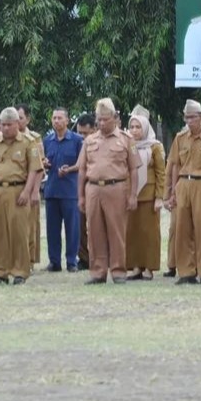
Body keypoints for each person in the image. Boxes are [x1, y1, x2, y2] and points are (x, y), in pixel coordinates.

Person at [77, 98, 140, 285]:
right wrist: (80, 195)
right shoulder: (89, 140)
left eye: (105, 119)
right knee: (94, 232)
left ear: (114, 118)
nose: (102, 123)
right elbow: (81, 169)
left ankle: (119, 271)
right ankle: (98, 272)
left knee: (117, 231)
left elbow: (134, 169)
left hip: (117, 188)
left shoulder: (126, 140)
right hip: (94, 189)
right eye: (99, 120)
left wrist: (133, 195)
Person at [0, 107, 42, 285]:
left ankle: (20, 271)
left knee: (19, 232)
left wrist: (27, 191)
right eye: (2, 124)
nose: (5, 128)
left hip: (18, 191)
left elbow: (34, 169)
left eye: (9, 124)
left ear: (17, 124)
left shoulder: (28, 142)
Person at [167, 100, 201, 285]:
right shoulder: (180, 138)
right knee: (182, 230)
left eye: (192, 117)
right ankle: (186, 272)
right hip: (184, 183)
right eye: (186, 117)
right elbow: (175, 165)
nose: (188, 121)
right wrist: (173, 191)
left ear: (200, 118)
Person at [42, 108, 83, 273]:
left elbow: (82, 164)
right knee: (52, 229)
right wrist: (44, 163)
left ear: (67, 121)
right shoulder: (47, 140)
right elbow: (43, 160)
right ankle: (54, 261)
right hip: (52, 190)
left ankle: (72, 261)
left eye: (59, 118)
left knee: (72, 228)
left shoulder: (77, 140)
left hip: (70, 191)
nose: (56, 121)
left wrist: (70, 169)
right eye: (54, 118)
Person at [125, 111, 165, 280]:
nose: (134, 130)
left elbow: (160, 173)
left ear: (146, 128)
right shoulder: (127, 145)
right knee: (132, 232)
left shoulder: (155, 146)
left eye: (138, 127)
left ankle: (149, 267)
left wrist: (159, 197)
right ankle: (135, 266)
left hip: (149, 195)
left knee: (149, 233)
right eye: (131, 127)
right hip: (130, 195)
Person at [16, 105, 45, 267]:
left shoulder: (34, 138)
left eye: (20, 117)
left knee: (30, 225)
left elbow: (38, 167)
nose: (17, 121)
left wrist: (35, 191)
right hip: (12, 188)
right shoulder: (4, 138)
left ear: (27, 119)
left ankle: (30, 260)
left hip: (30, 186)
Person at [74, 113, 96, 271]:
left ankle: (100, 258)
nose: (82, 136)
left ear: (94, 129)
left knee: (97, 225)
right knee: (80, 225)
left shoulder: (101, 143)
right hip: (82, 187)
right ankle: (84, 258)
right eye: (80, 133)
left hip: (99, 187)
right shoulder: (80, 143)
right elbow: (80, 166)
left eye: (86, 133)